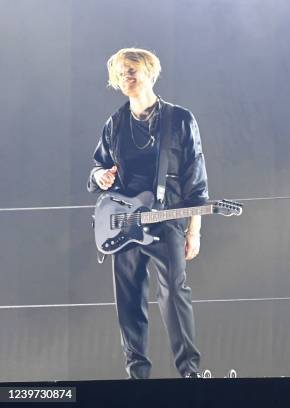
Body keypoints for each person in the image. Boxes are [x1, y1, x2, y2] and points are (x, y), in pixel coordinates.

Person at [87, 48, 208, 379]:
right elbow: (97, 170)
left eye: (132, 69)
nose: (126, 75)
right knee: (128, 299)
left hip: (166, 218)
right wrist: (101, 176)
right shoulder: (114, 123)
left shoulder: (179, 119)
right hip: (124, 223)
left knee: (174, 292)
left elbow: (195, 179)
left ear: (150, 72)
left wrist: (193, 230)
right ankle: (136, 374)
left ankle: (189, 373)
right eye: (121, 72)